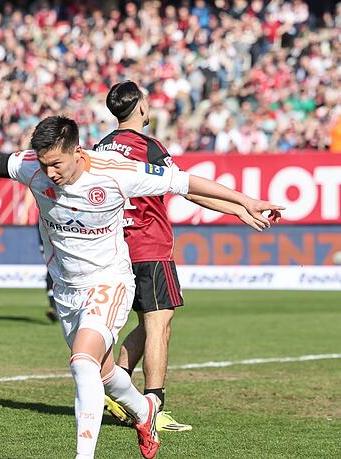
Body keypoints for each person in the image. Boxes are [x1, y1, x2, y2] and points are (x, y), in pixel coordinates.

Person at [0, 118, 282, 458]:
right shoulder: (30, 165)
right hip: (66, 288)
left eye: (56, 164)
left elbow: (187, 183)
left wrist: (246, 202)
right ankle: (145, 411)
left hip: (110, 280)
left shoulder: (117, 173)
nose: (49, 173)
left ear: (76, 151)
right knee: (103, 374)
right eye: (45, 164)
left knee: (82, 363)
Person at [96, 81, 271, 431]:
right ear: (141, 108)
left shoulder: (100, 148)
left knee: (149, 324)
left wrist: (237, 210)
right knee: (160, 326)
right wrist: (239, 206)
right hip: (150, 247)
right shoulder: (148, 147)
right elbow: (189, 190)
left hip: (117, 249)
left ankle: (114, 387)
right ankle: (154, 409)